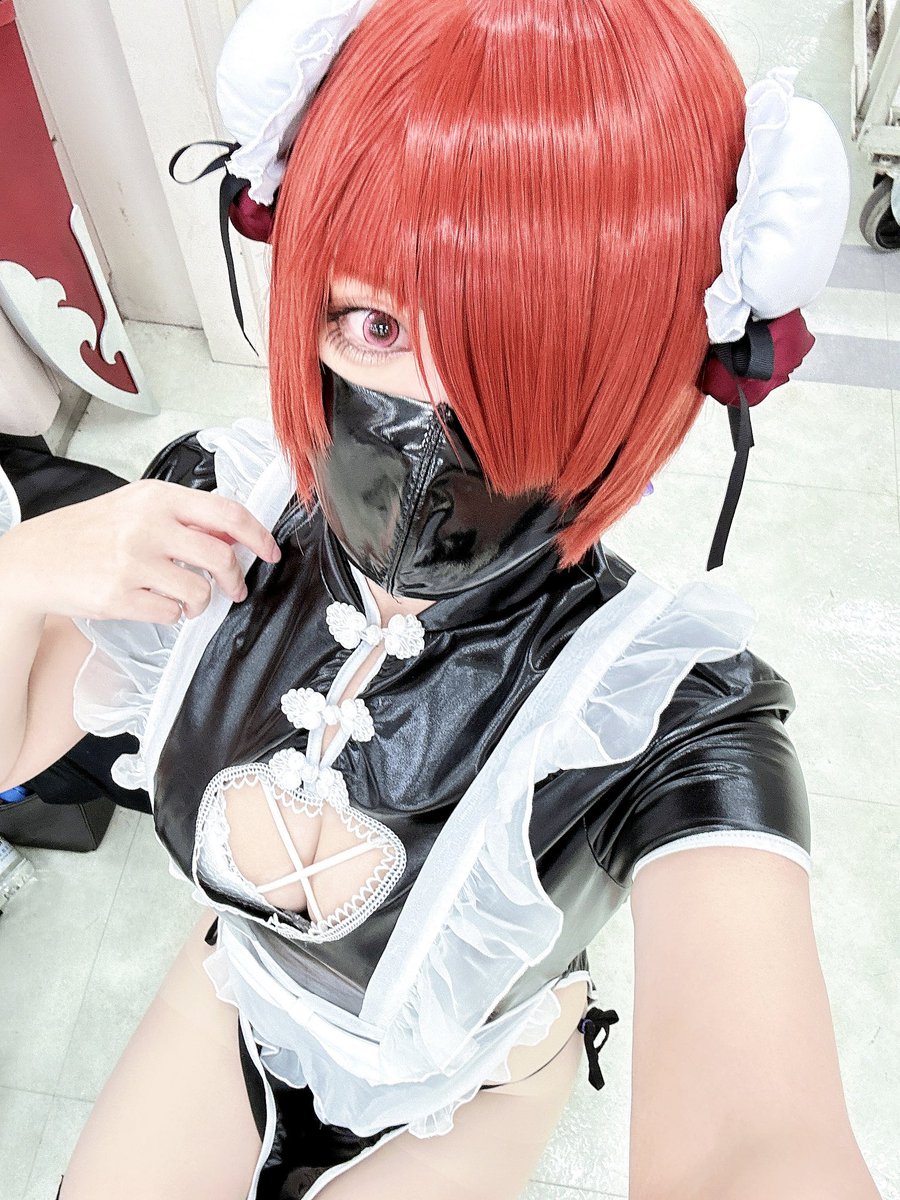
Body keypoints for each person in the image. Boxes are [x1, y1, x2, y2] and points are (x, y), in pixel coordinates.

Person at [0, 0, 882, 1197]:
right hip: (235, 994)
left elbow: (756, 1148)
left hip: (478, 1084)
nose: (422, 418)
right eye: (373, 321)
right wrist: (24, 570)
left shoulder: (668, 715)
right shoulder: (212, 517)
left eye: (519, 354)